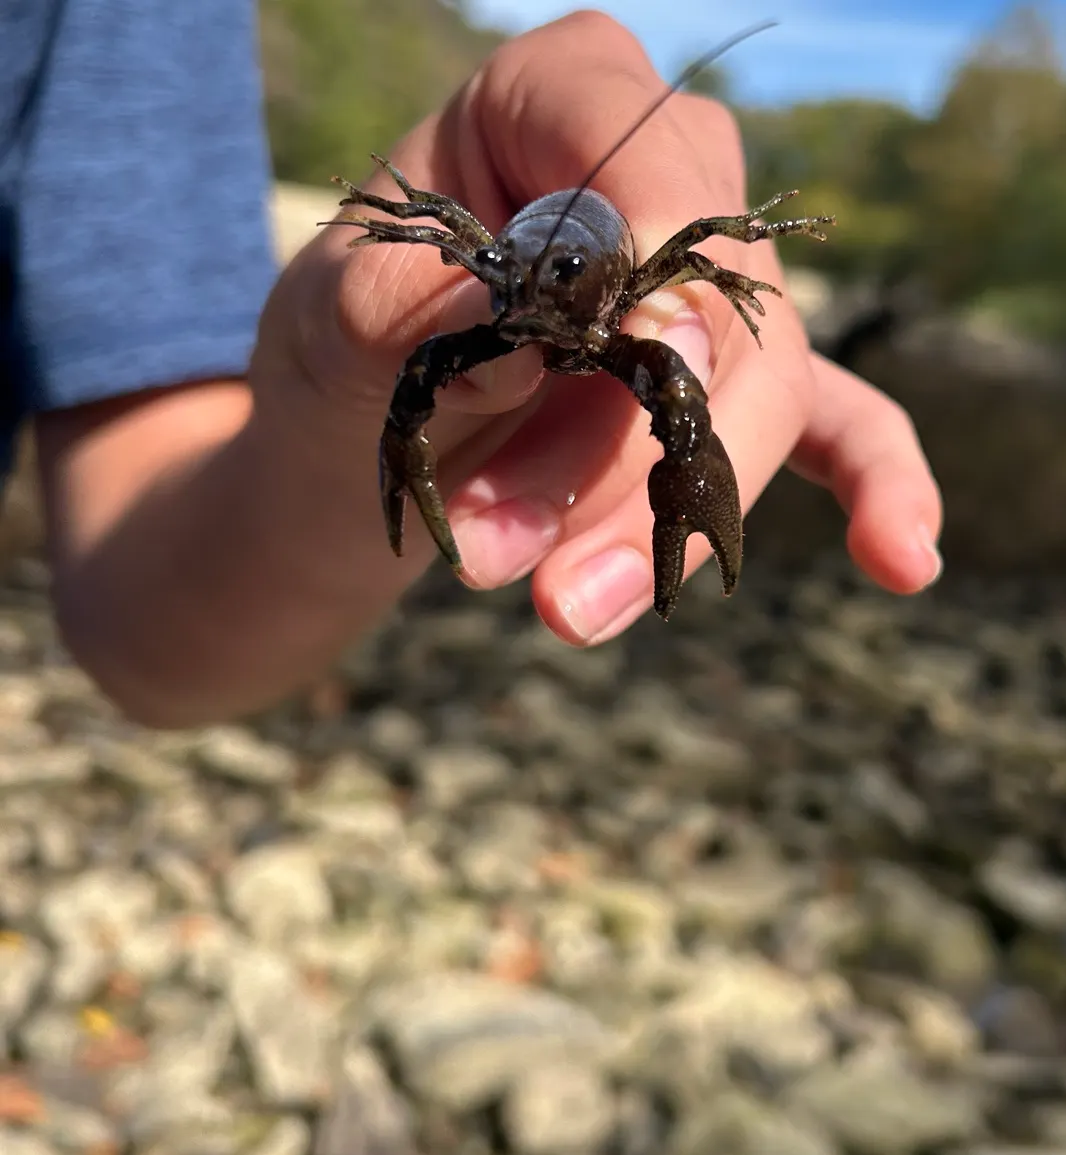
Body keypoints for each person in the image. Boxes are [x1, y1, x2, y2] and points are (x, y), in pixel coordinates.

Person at [0, 5, 944, 730]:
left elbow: (698, 235)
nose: (517, 293)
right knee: (422, 377)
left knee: (681, 396)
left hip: (594, 289)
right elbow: (440, 230)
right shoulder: (498, 274)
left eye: (539, 278)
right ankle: (407, 495)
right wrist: (342, 370)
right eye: (499, 270)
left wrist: (733, 269)